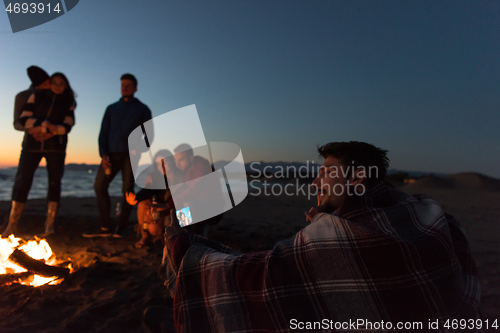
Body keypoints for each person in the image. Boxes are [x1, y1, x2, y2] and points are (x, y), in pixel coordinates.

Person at [158, 141, 481, 332]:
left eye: (326, 172)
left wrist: (184, 248)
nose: (315, 184)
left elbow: (266, 277)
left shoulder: (345, 235)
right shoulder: (423, 212)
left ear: (358, 178)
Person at [2, 73, 76, 238]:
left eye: (61, 83)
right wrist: (44, 127)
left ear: (65, 86)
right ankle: (12, 224)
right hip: (31, 146)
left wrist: (50, 131)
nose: (57, 86)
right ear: (49, 84)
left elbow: (68, 125)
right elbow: (23, 120)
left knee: (54, 183)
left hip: (55, 148)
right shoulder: (36, 97)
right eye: (54, 83)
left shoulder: (68, 103)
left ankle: (49, 226)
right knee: (23, 181)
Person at [83, 74, 153, 238]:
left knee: (127, 191)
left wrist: (140, 148)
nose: (125, 87)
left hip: (131, 156)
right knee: (99, 186)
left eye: (128, 85)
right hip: (111, 155)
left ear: (135, 88)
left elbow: (150, 134)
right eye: (122, 84)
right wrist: (103, 154)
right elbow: (103, 133)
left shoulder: (142, 109)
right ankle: (105, 226)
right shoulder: (111, 108)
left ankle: (121, 228)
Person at [125, 150, 182, 248]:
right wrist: (135, 198)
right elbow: (148, 191)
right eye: (159, 164)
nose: (162, 167)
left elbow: (183, 197)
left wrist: (167, 206)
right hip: (162, 210)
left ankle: (177, 239)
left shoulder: (181, 176)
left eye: (165, 163)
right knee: (143, 204)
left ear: (171, 162)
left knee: (158, 227)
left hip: (178, 211)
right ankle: (145, 237)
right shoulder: (157, 177)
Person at [172, 143, 223, 236]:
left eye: (181, 160)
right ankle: (187, 230)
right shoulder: (186, 170)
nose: (178, 164)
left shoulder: (203, 167)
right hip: (200, 207)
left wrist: (173, 201)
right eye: (176, 161)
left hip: (213, 210)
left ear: (191, 158)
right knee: (180, 202)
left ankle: (196, 233)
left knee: (187, 201)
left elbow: (195, 189)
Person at [13, 66, 51, 132]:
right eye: (44, 84)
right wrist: (32, 129)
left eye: (49, 82)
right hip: (32, 139)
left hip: (55, 138)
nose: (48, 86)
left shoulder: (53, 94)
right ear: (37, 85)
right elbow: (17, 123)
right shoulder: (22, 97)